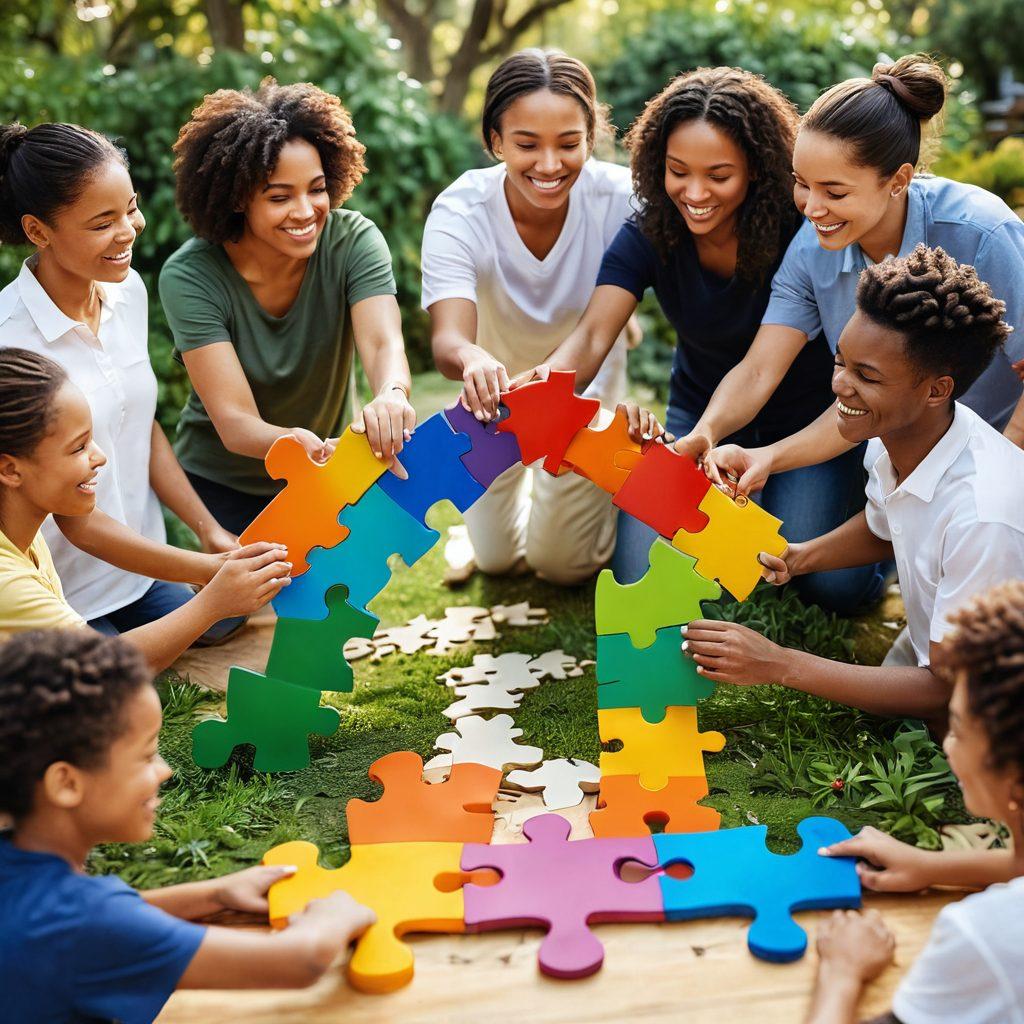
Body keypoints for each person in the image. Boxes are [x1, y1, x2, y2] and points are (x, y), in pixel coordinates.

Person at [526, 67, 873, 610]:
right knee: (639, 572)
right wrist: (542, 385)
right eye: (677, 171)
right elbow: (593, 334)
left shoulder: (804, 230)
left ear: (756, 168)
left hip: (804, 424)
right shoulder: (651, 231)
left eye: (718, 175)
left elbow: (766, 366)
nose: (694, 193)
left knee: (834, 590)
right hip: (699, 418)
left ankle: (872, 536)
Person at [682, 245, 1024, 726]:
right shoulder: (900, 436)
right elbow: (888, 524)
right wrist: (798, 558)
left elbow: (948, 691)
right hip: (945, 650)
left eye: (867, 376)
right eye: (841, 361)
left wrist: (778, 663)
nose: (840, 385)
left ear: (936, 389)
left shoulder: (983, 516)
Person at [692, 54, 1024, 501]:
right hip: (901, 468)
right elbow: (758, 370)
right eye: (802, 183)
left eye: (834, 191)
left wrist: (1001, 472)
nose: (811, 209)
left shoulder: (983, 234)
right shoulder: (810, 251)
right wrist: (710, 432)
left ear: (898, 180)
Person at [0, 628, 375, 1023]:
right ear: (66, 783)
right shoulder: (87, 924)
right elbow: (298, 960)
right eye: (146, 756)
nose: (165, 771)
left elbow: (99, 920)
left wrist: (212, 894)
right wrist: (335, 915)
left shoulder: (30, 878)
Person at [0, 120, 243, 643]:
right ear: (38, 231)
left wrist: (209, 533)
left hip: (141, 571)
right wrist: (207, 572)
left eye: (130, 208)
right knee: (113, 676)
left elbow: (139, 422)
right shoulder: (11, 342)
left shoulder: (126, 289)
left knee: (229, 619)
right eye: (102, 223)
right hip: (63, 590)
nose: (129, 230)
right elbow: (74, 520)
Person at [422, 49, 644, 587]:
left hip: (582, 396)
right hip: (491, 405)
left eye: (568, 144)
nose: (549, 165)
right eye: (527, 145)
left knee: (562, 566)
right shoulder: (460, 210)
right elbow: (448, 338)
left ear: (591, 137)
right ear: (495, 141)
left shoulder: (623, 199)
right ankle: (484, 535)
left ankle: (600, 504)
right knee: (497, 561)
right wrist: (472, 358)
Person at [160, 78, 415, 536]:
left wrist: (391, 394)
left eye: (316, 189)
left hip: (327, 472)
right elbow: (236, 423)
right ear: (239, 198)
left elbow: (383, 344)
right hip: (225, 484)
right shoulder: (191, 275)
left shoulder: (352, 241)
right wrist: (303, 444)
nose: (305, 211)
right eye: (279, 197)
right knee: (248, 588)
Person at [804, 579, 1024, 1024]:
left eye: (958, 728)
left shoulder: (987, 935)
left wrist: (842, 972)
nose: (948, 744)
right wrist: (932, 866)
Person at [0, 348, 288, 670]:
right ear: (10, 470)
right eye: (79, 447)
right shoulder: (8, 583)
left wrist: (216, 568)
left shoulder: (25, 536)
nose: (100, 457)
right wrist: (211, 605)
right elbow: (103, 669)